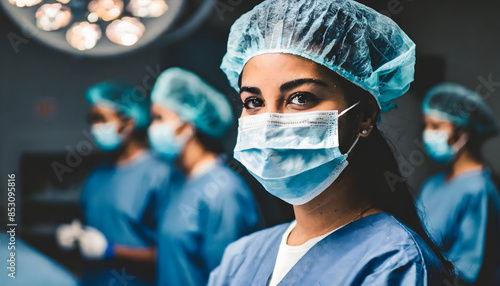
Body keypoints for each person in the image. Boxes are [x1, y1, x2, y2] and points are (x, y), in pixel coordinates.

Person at [208, 0, 453, 285]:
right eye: (254, 101)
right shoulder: (241, 258)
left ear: (364, 116)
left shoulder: (397, 264)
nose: (269, 123)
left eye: (300, 98)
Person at [55, 81, 179, 286]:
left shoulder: (160, 174)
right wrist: (76, 236)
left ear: (128, 123)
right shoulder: (97, 177)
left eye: (101, 119)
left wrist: (112, 251)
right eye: (92, 120)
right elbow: (92, 228)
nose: (95, 128)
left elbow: (171, 254)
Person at [148, 67, 262, 286]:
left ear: (186, 126)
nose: (151, 128)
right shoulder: (179, 182)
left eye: (159, 118)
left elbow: (228, 278)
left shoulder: (223, 190)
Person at [418, 83, 500, 285]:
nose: (427, 134)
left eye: (436, 126)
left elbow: (468, 271)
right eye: (426, 125)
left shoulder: (479, 190)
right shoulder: (432, 184)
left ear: (461, 132)